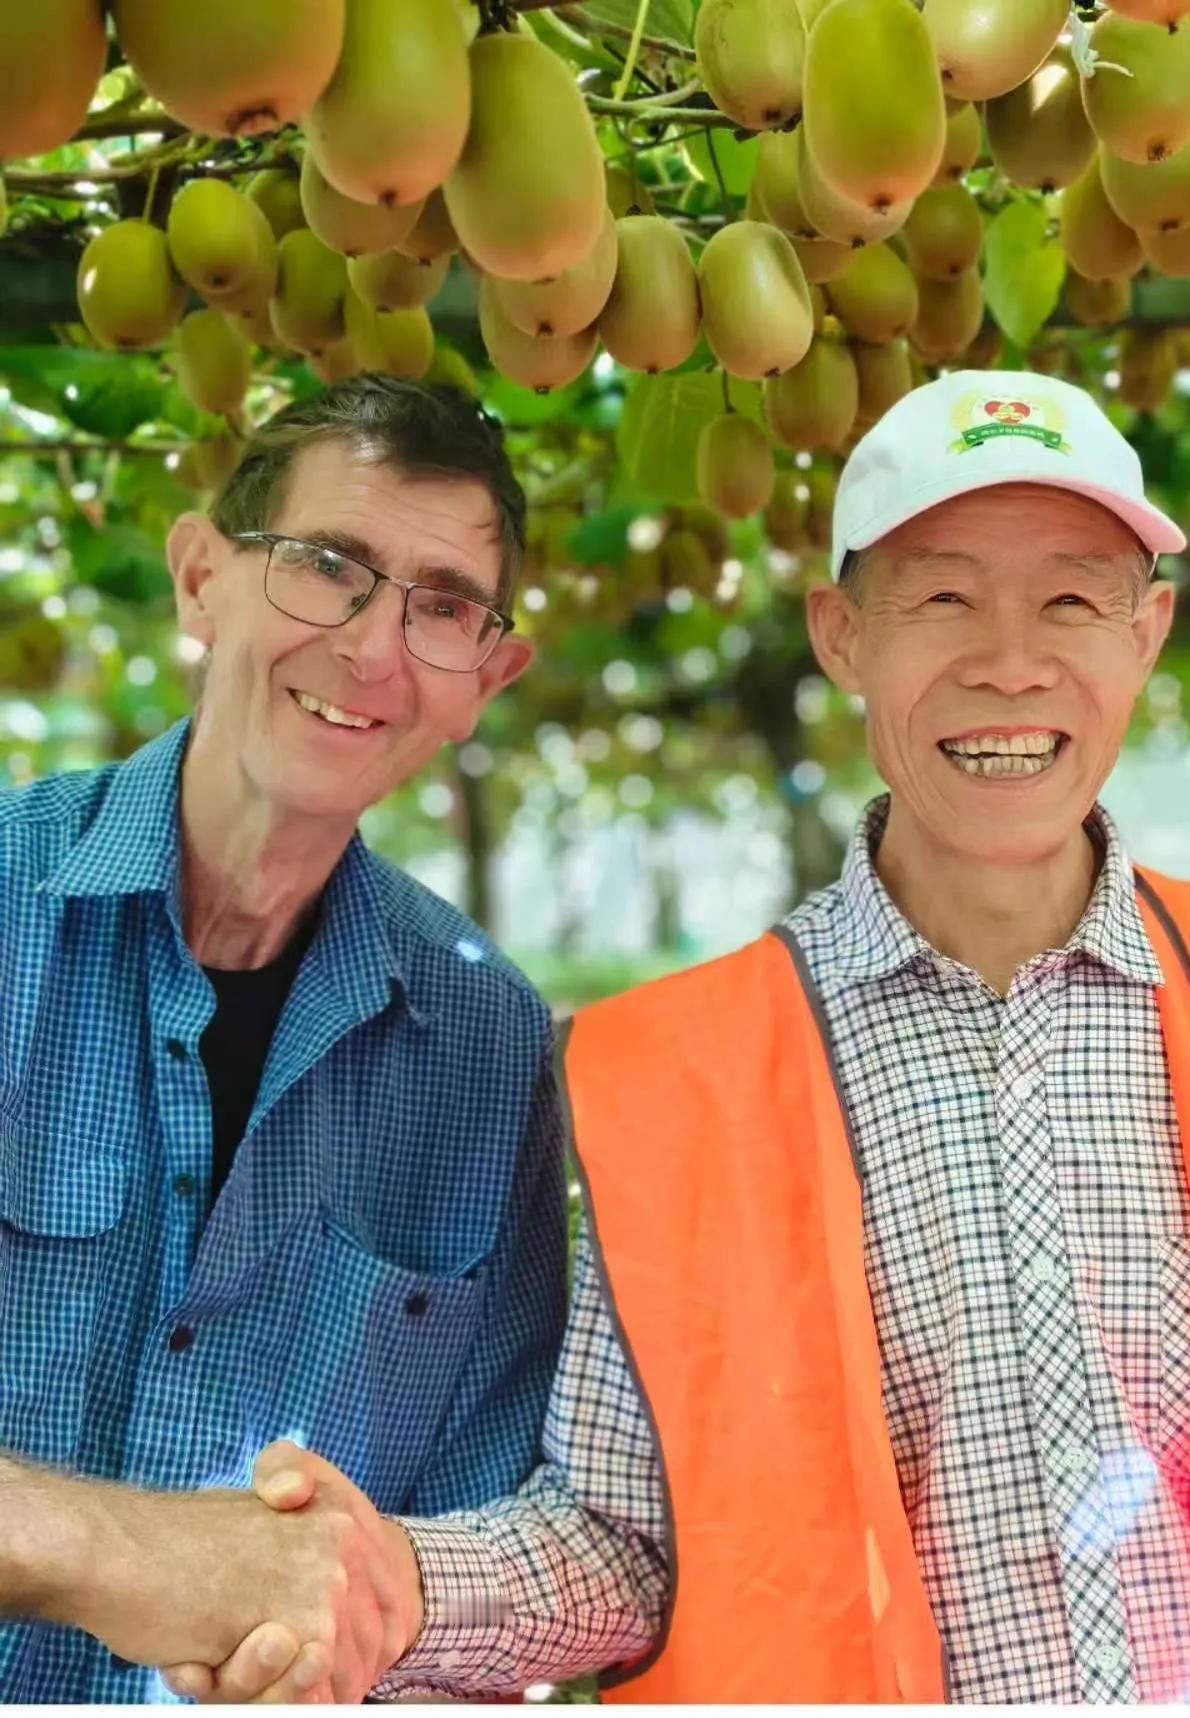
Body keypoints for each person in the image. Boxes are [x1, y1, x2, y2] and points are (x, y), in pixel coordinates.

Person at [210, 368, 1190, 1706]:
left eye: (1072, 597)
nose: (1012, 658)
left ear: (1151, 630)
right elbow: (626, 1539)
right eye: (944, 594)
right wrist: (403, 1588)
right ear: (841, 633)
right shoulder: (665, 1075)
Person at [0, 376, 659, 1704]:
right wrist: (117, 1550)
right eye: (328, 566)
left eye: (443, 605)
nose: (372, 648)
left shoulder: (490, 1047)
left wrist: (371, 1638)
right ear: (202, 579)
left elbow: (495, 1515)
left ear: (487, 676)